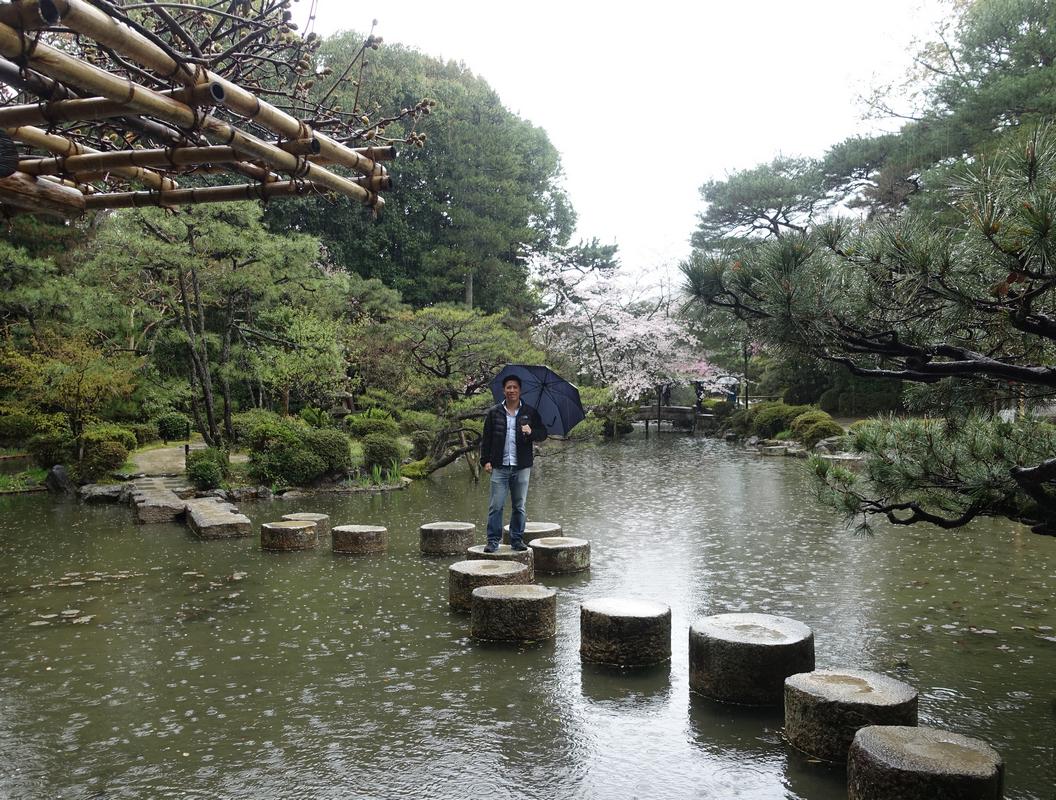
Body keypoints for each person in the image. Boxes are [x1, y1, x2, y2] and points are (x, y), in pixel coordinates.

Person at [480, 374, 547, 552]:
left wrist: (531, 431)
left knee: (519, 506)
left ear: (520, 390)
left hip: (521, 466)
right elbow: (486, 439)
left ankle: (517, 539)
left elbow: (543, 434)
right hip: (499, 466)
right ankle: (493, 541)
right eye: (508, 387)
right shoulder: (494, 412)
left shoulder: (530, 412)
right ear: (504, 390)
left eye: (515, 387)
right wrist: (485, 461)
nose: (511, 390)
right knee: (496, 505)